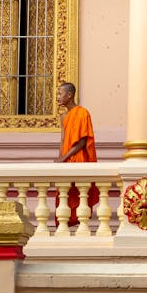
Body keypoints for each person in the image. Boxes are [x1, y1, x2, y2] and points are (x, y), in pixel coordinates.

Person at [55, 82, 98, 226]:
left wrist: (64, 158)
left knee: (80, 195)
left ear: (69, 95)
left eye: (60, 94)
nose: (57, 97)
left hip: (78, 159)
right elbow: (63, 139)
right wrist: (60, 159)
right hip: (66, 160)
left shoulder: (82, 113)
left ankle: (81, 223)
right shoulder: (63, 116)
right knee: (64, 195)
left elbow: (82, 143)